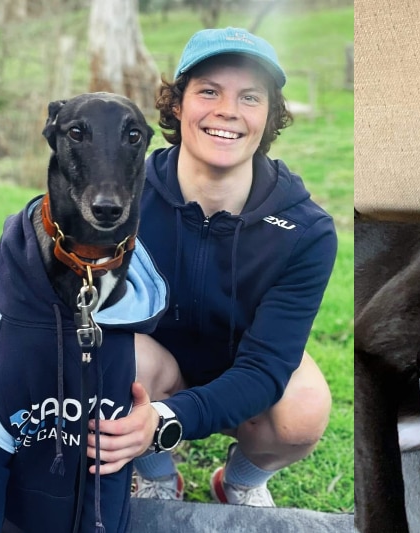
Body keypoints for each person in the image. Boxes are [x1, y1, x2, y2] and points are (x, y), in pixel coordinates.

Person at [84, 27, 337, 506]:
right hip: (152, 366)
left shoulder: (308, 230)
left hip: (244, 371)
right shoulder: (120, 197)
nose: (228, 110)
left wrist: (169, 418)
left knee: (303, 409)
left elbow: (265, 369)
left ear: (269, 115)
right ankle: (157, 475)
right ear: (177, 105)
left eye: (250, 97)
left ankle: (240, 482)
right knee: (103, 358)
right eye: (208, 91)